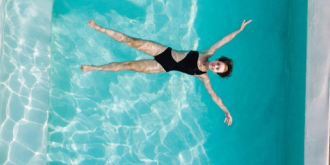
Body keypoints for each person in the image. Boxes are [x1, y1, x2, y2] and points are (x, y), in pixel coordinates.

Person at [80, 19, 251, 126]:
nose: (215, 66)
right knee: (131, 41)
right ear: (218, 60)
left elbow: (215, 96)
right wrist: (240, 30)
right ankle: (100, 28)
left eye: (217, 69)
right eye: (218, 64)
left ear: (215, 73)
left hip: (162, 67)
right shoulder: (208, 52)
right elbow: (224, 40)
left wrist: (226, 111)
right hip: (164, 52)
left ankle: (94, 68)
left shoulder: (203, 76)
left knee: (128, 65)